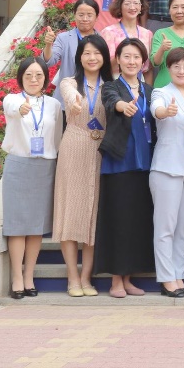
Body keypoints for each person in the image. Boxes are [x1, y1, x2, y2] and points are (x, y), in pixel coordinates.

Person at [53, 35, 112, 297]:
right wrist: (74, 102)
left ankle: (87, 277)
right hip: (74, 147)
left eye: (97, 53)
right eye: (87, 53)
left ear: (104, 57)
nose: (92, 58)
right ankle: (72, 277)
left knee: (93, 214)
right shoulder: (69, 82)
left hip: (101, 151)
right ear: (79, 57)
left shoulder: (111, 85)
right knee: (70, 211)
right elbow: (69, 96)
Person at [96, 39, 155, 298]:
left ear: (143, 62)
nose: (132, 62)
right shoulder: (111, 86)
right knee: (118, 221)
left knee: (136, 222)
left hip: (146, 163)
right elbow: (112, 102)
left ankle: (129, 277)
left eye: (136, 57)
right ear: (118, 59)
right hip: (119, 162)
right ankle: (116, 280)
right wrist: (124, 106)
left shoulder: (150, 90)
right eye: (127, 56)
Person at [1, 57, 63, 299]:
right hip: (19, 166)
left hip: (45, 167)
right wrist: (21, 110)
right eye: (28, 75)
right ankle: (17, 277)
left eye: (39, 75)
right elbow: (12, 110)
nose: (34, 80)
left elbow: (57, 138)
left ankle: (29, 277)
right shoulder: (12, 99)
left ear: (46, 78)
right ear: (21, 78)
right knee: (18, 226)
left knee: (37, 227)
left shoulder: (53, 104)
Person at [148, 48, 184, 298]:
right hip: (167, 167)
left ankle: (179, 275)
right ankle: (166, 278)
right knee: (165, 227)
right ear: (168, 68)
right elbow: (157, 110)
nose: (182, 71)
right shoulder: (161, 93)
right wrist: (165, 112)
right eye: (176, 66)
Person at [43, 0, 101, 84]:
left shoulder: (102, 39)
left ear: (96, 17)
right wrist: (48, 45)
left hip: (94, 90)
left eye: (89, 15)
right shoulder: (63, 38)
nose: (85, 19)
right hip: (66, 90)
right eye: (81, 15)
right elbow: (49, 61)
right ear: (74, 15)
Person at [99, 0, 153, 79]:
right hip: (115, 81)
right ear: (119, 7)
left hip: (140, 81)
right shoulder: (108, 32)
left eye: (136, 3)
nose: (132, 7)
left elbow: (148, 69)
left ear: (141, 7)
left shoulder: (147, 34)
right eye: (127, 4)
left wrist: (148, 87)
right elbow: (104, 66)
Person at [149, 0, 184, 89]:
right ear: (169, 10)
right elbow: (155, 62)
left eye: (183, 7)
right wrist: (162, 49)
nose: (179, 11)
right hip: (164, 88)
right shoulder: (160, 33)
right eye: (175, 7)